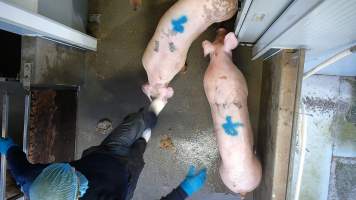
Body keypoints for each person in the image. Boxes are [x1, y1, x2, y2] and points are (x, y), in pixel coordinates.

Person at [0, 99, 207, 200]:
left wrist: (8, 147)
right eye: (75, 179)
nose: (73, 169)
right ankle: (143, 139)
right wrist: (183, 191)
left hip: (102, 155)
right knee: (137, 151)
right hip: (123, 179)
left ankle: (148, 115)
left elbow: (18, 166)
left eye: (69, 169)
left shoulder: (32, 182)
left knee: (134, 123)